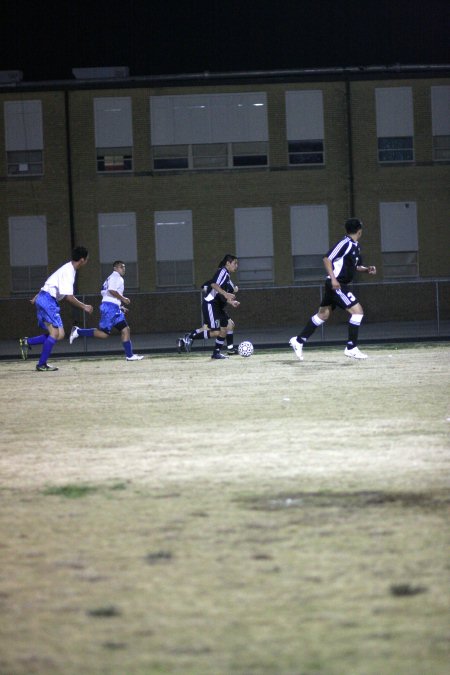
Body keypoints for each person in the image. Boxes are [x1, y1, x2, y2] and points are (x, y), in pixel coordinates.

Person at [289, 218, 376, 361]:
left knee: (323, 315)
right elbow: (326, 258)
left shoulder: (355, 245)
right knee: (358, 312)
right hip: (337, 284)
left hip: (337, 284)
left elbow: (354, 266)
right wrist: (334, 279)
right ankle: (351, 347)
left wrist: (366, 269)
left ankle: (298, 341)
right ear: (359, 231)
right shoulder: (345, 243)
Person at [19, 246, 93, 371]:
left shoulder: (67, 268)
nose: (87, 262)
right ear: (82, 260)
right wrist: (84, 306)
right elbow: (69, 297)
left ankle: (27, 342)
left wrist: (37, 296)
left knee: (60, 335)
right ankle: (41, 364)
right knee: (54, 333)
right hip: (48, 300)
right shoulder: (69, 271)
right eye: (87, 259)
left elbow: (49, 282)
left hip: (46, 299)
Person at [68, 260, 143, 361]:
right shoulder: (116, 277)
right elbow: (111, 291)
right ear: (115, 268)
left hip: (113, 307)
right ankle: (78, 331)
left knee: (125, 329)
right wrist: (123, 299)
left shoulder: (111, 278)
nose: (123, 269)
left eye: (124, 267)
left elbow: (106, 293)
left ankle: (130, 355)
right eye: (121, 267)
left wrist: (119, 306)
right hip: (110, 308)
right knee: (104, 334)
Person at [177, 254, 240, 359]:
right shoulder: (223, 272)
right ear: (228, 263)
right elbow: (214, 285)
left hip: (217, 305)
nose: (236, 265)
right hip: (211, 305)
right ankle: (191, 337)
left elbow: (219, 294)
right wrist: (226, 294)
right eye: (235, 263)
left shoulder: (227, 276)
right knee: (216, 331)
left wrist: (231, 301)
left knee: (229, 325)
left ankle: (228, 350)